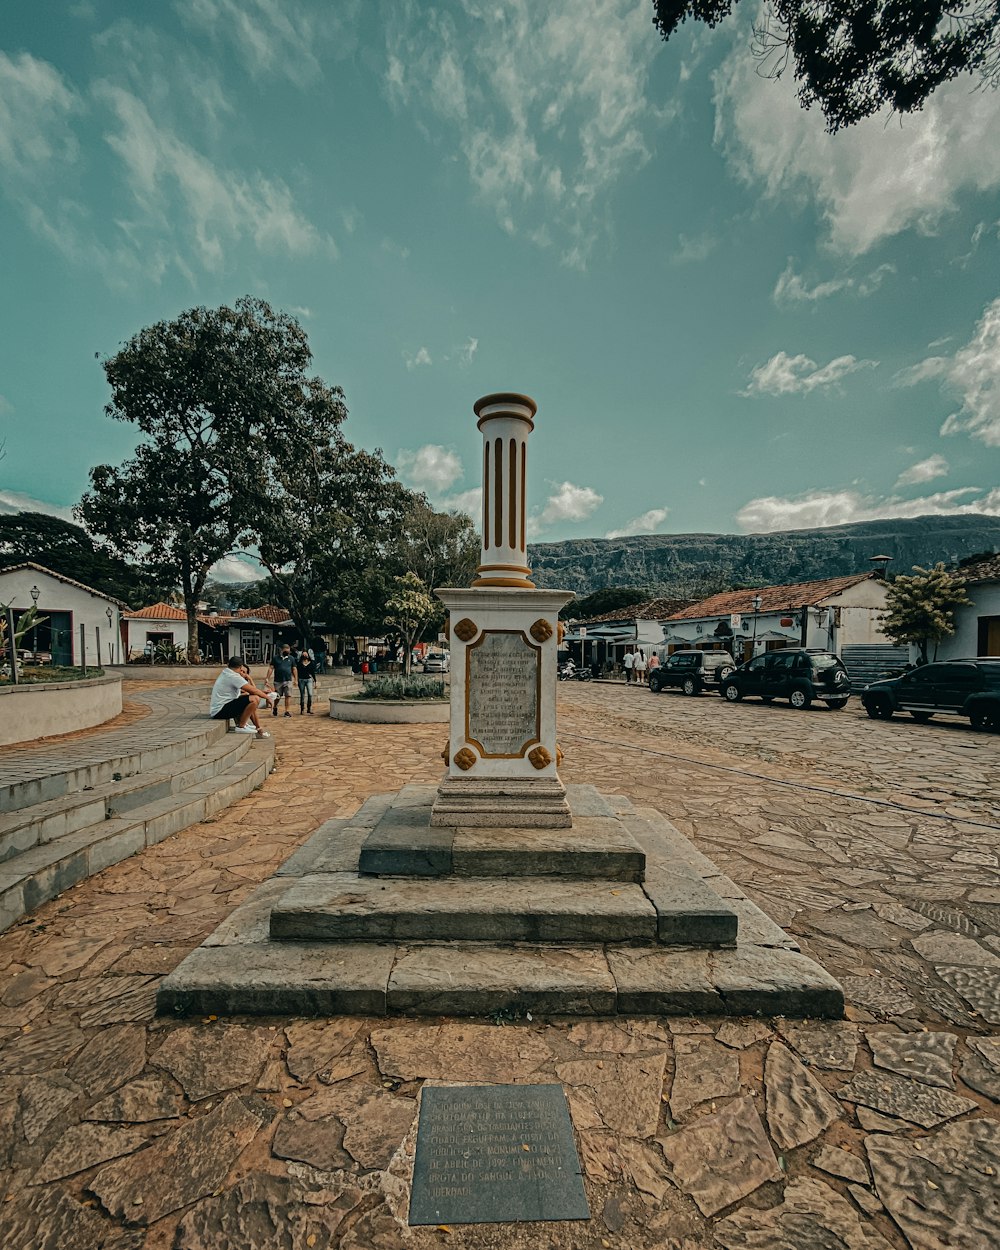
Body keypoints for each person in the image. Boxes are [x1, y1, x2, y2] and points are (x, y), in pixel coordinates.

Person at [209, 656, 274, 737]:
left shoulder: (226, 672)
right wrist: (268, 698)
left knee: (250, 699)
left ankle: (255, 728)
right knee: (254, 699)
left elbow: (250, 691)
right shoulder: (233, 676)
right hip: (220, 711)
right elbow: (253, 690)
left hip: (220, 708)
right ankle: (241, 726)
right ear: (240, 667)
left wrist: (263, 693)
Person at [265, 644, 297, 718]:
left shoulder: (291, 658)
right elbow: (271, 668)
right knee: (277, 696)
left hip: (288, 679)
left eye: (288, 650)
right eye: (285, 650)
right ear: (281, 650)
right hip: (278, 680)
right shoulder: (275, 658)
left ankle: (287, 711)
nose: (287, 651)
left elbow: (294, 669)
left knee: (288, 695)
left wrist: (296, 679)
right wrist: (267, 678)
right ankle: (275, 707)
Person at [297, 648, 317, 714]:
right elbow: (297, 671)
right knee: (302, 695)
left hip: (309, 679)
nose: (305, 655)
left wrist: (315, 681)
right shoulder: (299, 663)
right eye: (304, 654)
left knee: (310, 694)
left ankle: (309, 708)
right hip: (301, 679)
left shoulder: (311, 663)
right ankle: (302, 709)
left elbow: (312, 672)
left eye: (306, 654)